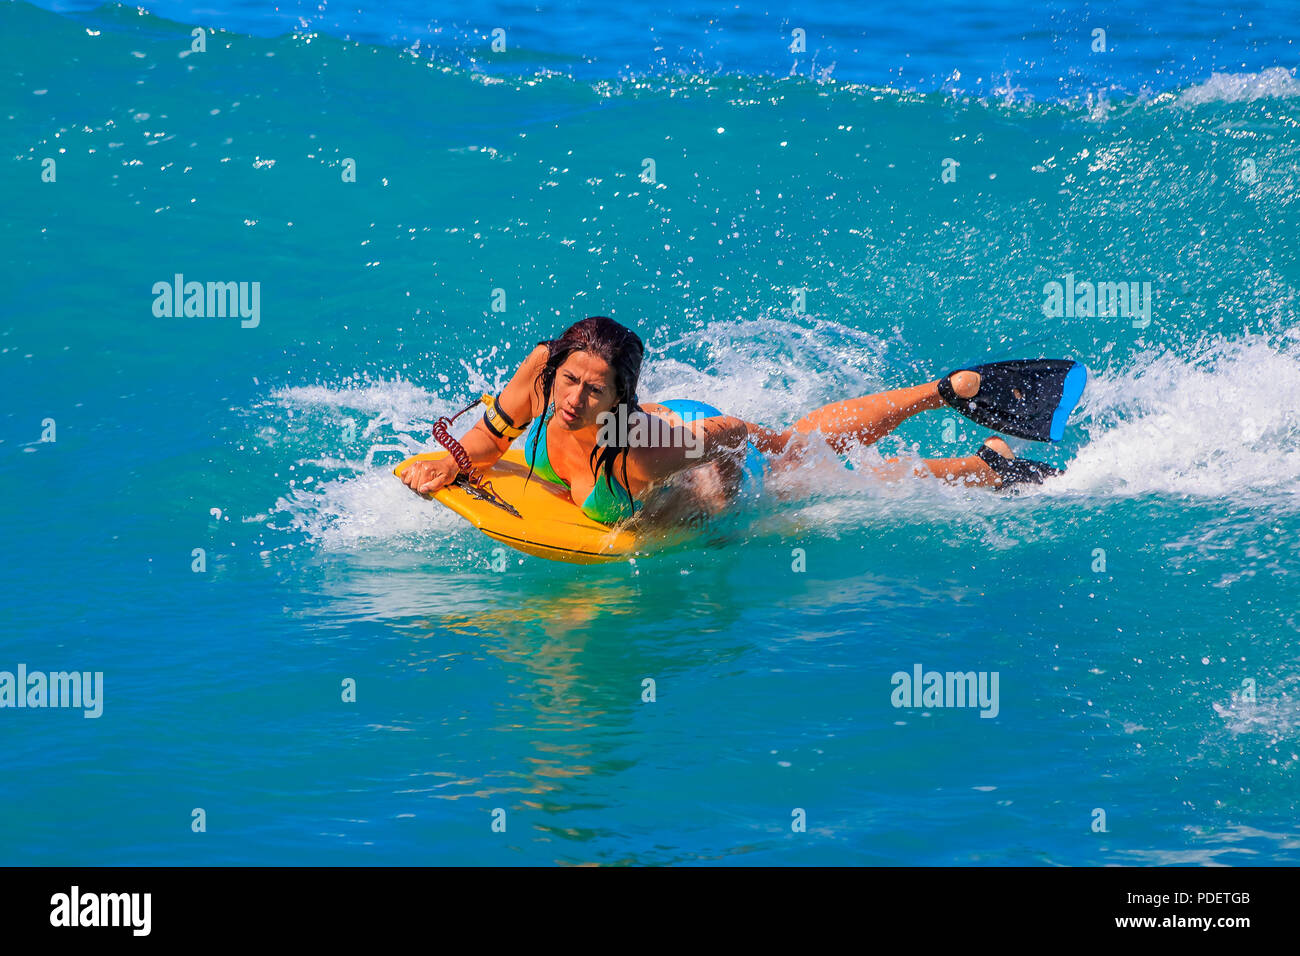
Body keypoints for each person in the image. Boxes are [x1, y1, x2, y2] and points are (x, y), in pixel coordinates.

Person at [399, 316, 1083, 526]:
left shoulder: (637, 447)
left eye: (594, 388)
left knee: (796, 463)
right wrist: (458, 463)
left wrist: (711, 512)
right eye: (569, 381)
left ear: (621, 398)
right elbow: (494, 430)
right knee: (807, 452)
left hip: (706, 440)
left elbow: (722, 439)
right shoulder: (544, 372)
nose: (573, 398)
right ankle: (965, 428)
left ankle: (964, 431)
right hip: (684, 440)